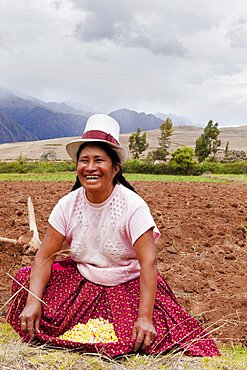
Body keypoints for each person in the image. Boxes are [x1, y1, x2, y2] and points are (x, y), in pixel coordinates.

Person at [7, 114, 220, 358]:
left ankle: (109, 330)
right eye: (84, 160)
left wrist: (144, 317)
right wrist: (34, 302)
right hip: (82, 282)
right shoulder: (67, 205)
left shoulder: (133, 206)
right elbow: (45, 255)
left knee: (152, 334)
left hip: (126, 285)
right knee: (25, 283)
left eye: (99, 160)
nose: (90, 167)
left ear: (116, 167)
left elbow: (148, 263)